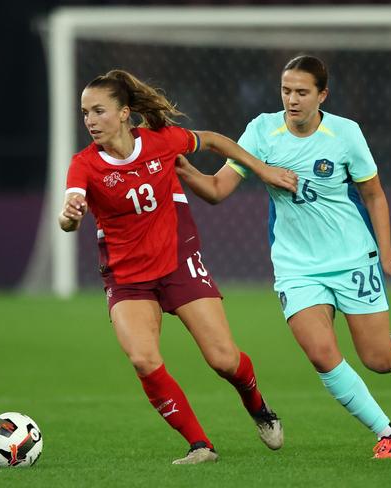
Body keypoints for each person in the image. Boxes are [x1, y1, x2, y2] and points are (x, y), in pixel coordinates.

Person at [175, 55, 391, 459]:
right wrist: (187, 173)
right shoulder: (261, 132)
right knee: (322, 355)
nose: (292, 99)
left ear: (322, 95)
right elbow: (218, 190)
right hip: (296, 267)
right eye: (286, 90)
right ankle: (388, 434)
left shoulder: (344, 134)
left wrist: (388, 256)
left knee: (378, 359)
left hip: (352, 257)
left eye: (302, 92)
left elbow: (373, 194)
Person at [58, 69, 297, 465]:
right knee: (143, 359)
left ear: (124, 113)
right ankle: (200, 445)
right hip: (126, 277)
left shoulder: (162, 142)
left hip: (177, 264)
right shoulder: (84, 164)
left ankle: (258, 407)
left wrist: (263, 170)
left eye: (98, 111)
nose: (90, 121)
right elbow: (70, 215)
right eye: (84, 113)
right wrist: (70, 215)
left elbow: (216, 142)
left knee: (223, 359)